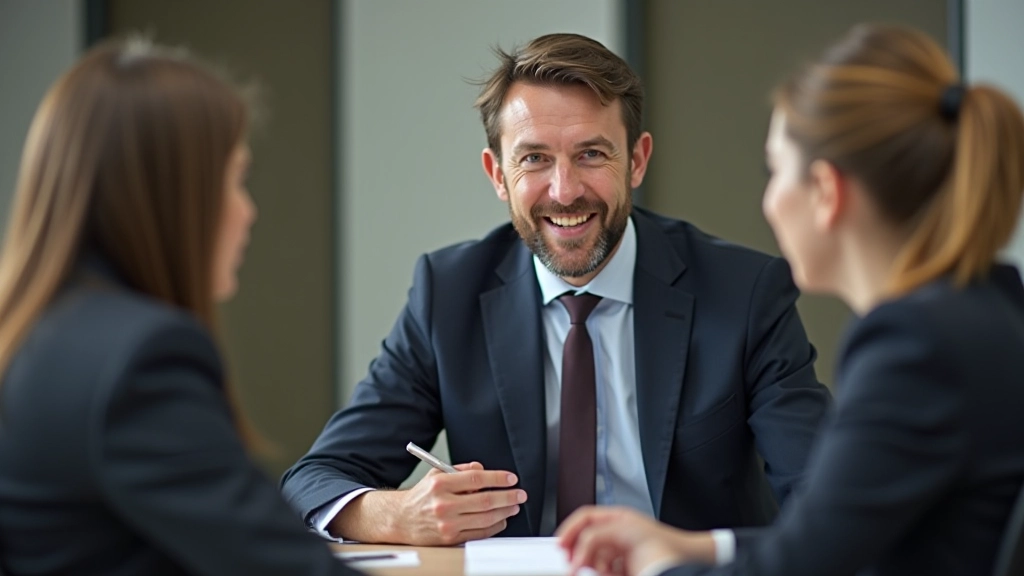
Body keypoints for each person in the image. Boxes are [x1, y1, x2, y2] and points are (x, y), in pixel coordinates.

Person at [282, 32, 831, 547]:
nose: (564, 191)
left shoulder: (745, 293)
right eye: (534, 159)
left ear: (636, 161)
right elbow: (315, 479)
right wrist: (401, 514)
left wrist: (692, 553)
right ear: (497, 174)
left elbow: (823, 501)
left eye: (592, 154)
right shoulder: (446, 295)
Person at [556, 23, 1024, 576]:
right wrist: (693, 548)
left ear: (826, 193)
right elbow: (827, 542)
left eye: (775, 171)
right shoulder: (989, 305)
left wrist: (655, 571)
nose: (769, 200)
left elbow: (808, 568)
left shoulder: (912, 348)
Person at [0, 40, 362, 576]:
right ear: (174, 193)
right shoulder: (139, 361)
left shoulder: (33, 335)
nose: (249, 210)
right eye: (236, 179)